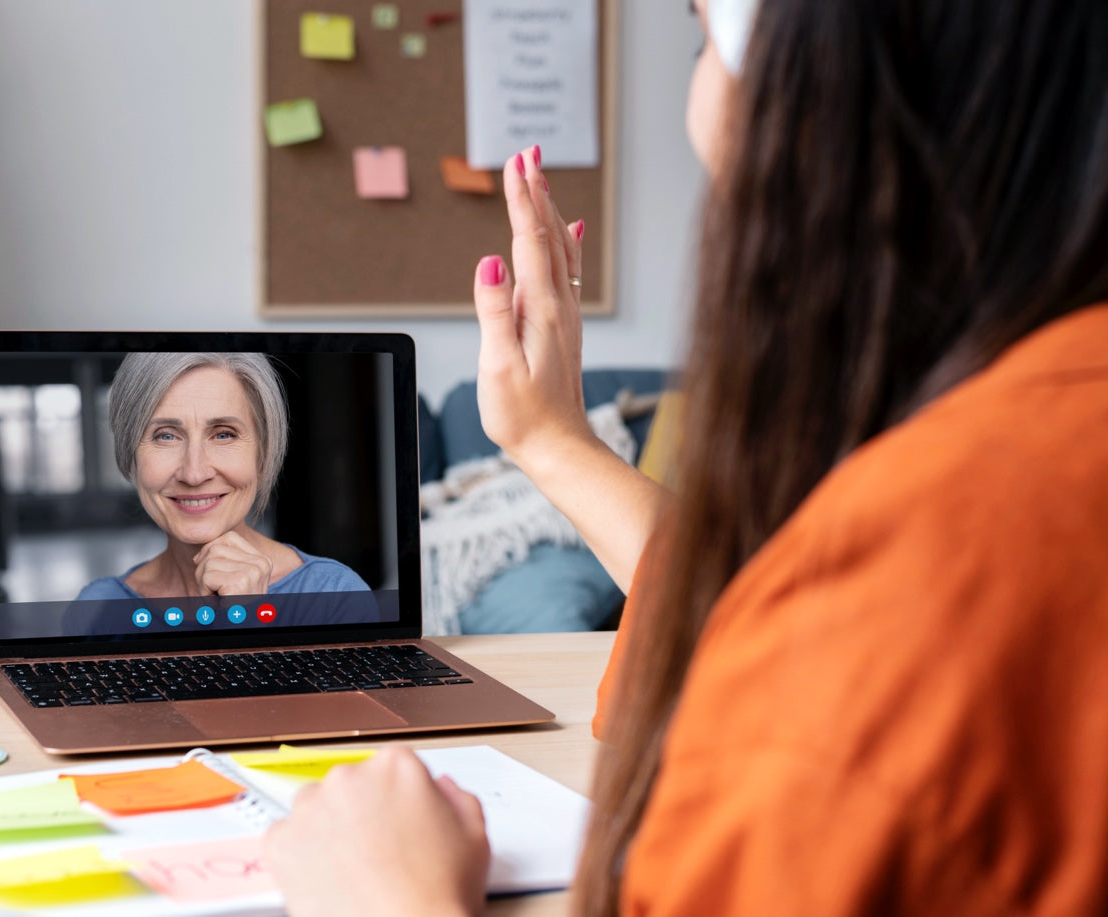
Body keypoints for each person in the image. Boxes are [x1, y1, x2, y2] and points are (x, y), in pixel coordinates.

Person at [263, 0, 1108, 914]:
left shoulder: (917, 567)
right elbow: (742, 621)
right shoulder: (1036, 440)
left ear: (830, 93)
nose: (694, 109)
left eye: (704, 39)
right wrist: (551, 439)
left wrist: (390, 896)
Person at [74, 352, 370, 607]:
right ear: (130, 455)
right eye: (165, 436)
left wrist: (248, 620)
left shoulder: (334, 595)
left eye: (223, 434)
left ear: (263, 453)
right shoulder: (97, 606)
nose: (194, 474)